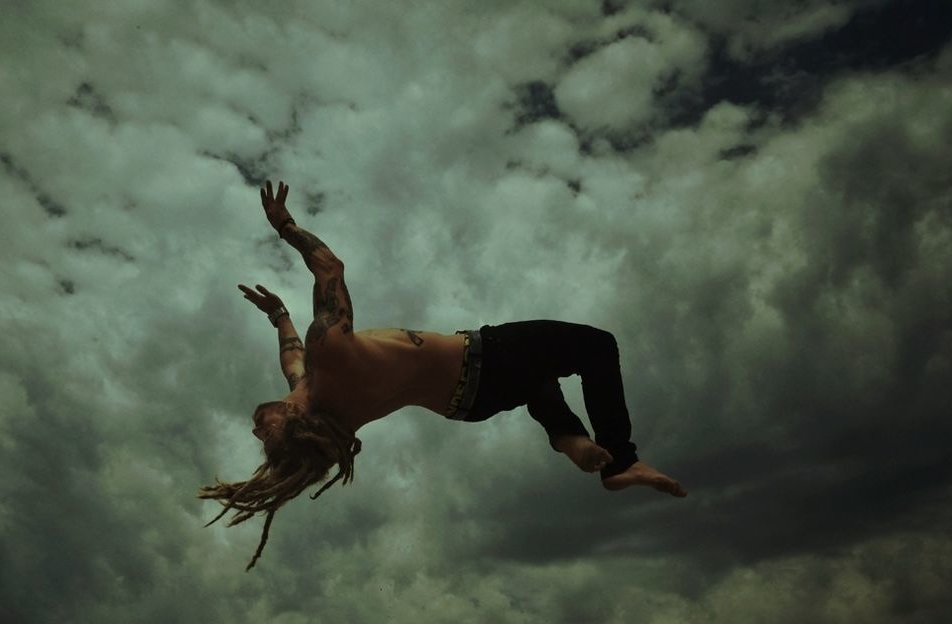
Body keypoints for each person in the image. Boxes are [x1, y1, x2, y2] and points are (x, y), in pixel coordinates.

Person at [199, 180, 686, 571]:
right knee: (596, 347)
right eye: (268, 434)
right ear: (292, 419)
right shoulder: (331, 356)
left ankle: (570, 440)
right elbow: (329, 267)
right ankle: (621, 459)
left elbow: (291, 357)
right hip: (485, 358)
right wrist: (285, 226)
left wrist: (279, 315)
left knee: (539, 386)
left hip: (470, 406)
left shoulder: (321, 401)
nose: (256, 429)